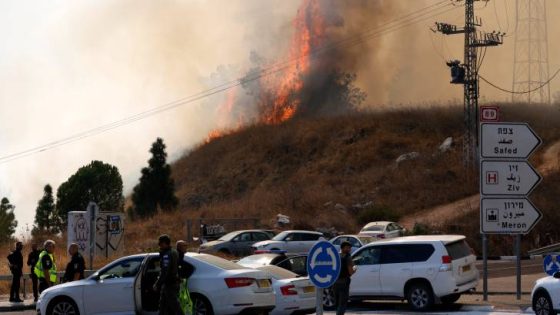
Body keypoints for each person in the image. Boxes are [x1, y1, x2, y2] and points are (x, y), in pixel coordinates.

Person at [153, 234, 182, 315]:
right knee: (163, 306)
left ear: (165, 243)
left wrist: (157, 284)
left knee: (175, 307)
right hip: (171, 284)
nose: (159, 246)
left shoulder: (167, 255)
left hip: (170, 284)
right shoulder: (174, 252)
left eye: (160, 244)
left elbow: (164, 272)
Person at [333, 241, 355, 315]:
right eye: (348, 248)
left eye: (350, 248)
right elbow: (350, 272)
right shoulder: (348, 257)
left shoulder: (336, 256)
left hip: (335, 282)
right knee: (342, 303)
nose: (349, 249)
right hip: (344, 282)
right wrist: (355, 269)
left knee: (337, 302)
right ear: (343, 248)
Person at [177, 240, 194, 315]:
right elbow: (177, 267)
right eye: (185, 246)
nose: (186, 247)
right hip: (177, 282)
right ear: (180, 247)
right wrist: (182, 276)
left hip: (181, 282)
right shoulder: (177, 255)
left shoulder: (182, 255)